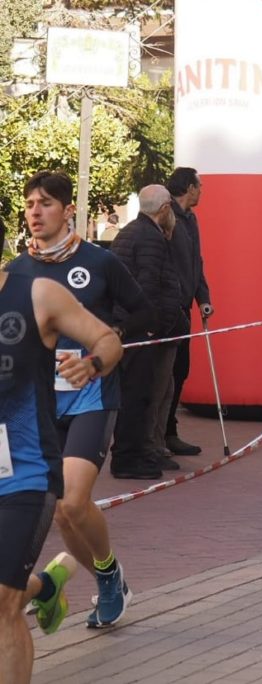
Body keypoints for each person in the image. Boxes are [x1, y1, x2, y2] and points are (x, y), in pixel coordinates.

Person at [7, 171, 151, 630]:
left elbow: (142, 310)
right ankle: (80, 580)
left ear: (68, 210)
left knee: (72, 502)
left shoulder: (99, 261)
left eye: (46, 203)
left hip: (91, 394)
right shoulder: (16, 272)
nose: (35, 212)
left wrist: (99, 350)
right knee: (61, 513)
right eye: (30, 203)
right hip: (37, 406)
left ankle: (108, 579)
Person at [0, 230, 123, 683]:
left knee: (2, 603)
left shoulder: (37, 294)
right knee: (8, 592)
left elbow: (107, 339)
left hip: (25, 473)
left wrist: (92, 364)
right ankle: (45, 586)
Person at [110, 186, 187, 478]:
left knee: (141, 394)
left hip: (131, 326)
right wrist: (153, 327)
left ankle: (137, 453)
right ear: (165, 209)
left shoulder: (131, 232)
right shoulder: (150, 238)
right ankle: (132, 457)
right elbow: (147, 287)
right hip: (141, 330)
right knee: (139, 396)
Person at [165, 167, 213, 458]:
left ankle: (169, 431)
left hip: (184, 308)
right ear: (189, 187)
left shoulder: (191, 219)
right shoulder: (165, 215)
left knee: (180, 369)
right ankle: (159, 434)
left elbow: (197, 262)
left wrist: (202, 298)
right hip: (167, 309)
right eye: (200, 185)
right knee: (164, 374)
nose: (202, 191)